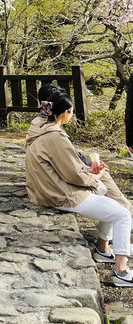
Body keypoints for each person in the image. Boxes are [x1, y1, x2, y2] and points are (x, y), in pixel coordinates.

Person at [26, 86, 133, 286]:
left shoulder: (40, 126)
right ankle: (122, 271)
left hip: (47, 189)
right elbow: (75, 175)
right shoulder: (55, 136)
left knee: (112, 205)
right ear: (65, 113)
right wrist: (97, 175)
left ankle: (104, 251)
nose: (72, 115)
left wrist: (90, 173)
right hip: (60, 194)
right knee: (122, 214)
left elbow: (68, 167)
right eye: (71, 111)